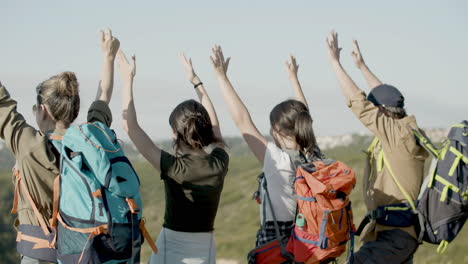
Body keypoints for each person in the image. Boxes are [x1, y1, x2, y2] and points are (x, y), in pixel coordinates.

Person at [0, 28, 119, 263]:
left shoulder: (29, 145)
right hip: (82, 254)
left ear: (41, 111)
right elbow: (103, 97)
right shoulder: (91, 140)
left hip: (39, 255)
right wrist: (108, 57)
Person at [117, 49, 229, 264]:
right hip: (207, 252)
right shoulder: (219, 162)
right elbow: (216, 127)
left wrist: (127, 79)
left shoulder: (173, 167)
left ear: (176, 134)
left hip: (171, 252)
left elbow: (129, 126)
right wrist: (197, 82)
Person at [325, 31, 428, 263]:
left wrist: (335, 64)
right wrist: (362, 67)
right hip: (392, 235)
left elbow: (361, 104)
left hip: (393, 237)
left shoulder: (397, 135)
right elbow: (387, 96)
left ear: (381, 112)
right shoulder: (403, 131)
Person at [210, 45, 321, 247]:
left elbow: (242, 121)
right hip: (310, 245)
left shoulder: (277, 160)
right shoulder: (313, 155)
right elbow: (304, 115)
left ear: (276, 129)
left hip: (278, 247)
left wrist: (221, 78)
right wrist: (293, 79)